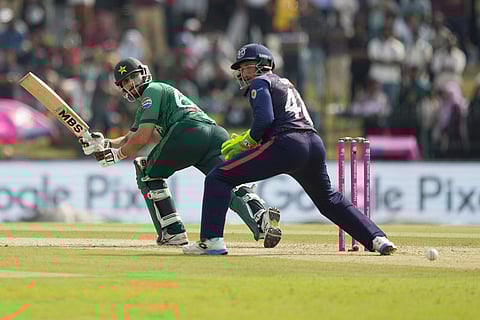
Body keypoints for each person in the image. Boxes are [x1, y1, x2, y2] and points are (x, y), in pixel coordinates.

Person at [183, 43, 397, 255]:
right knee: (328, 200)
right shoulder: (285, 83)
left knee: (217, 177)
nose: (242, 73)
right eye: (241, 68)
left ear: (263, 65)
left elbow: (264, 120)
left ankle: (212, 241)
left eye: (247, 66)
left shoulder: (260, 82)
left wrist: (247, 141)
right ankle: (377, 238)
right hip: (313, 143)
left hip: (286, 144)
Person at [79, 57, 282, 248]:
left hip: (187, 131)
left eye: (133, 77)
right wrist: (104, 143)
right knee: (227, 179)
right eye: (125, 82)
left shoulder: (151, 91)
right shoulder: (150, 99)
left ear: (144, 74)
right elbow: (128, 139)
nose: (131, 84)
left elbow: (142, 138)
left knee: (147, 171)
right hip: (214, 133)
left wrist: (117, 156)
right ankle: (261, 218)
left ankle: (172, 231)